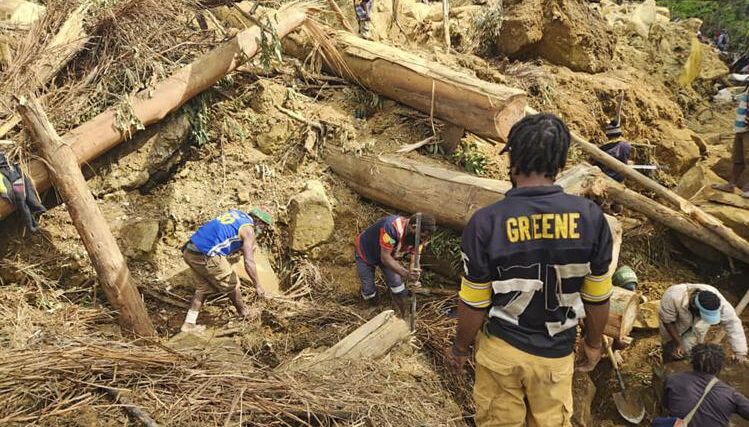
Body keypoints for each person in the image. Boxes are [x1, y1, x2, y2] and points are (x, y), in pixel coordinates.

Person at [446, 113, 614, 427]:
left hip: (502, 350)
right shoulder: (591, 218)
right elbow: (597, 296)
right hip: (555, 355)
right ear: (560, 163)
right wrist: (593, 343)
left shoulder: (487, 223)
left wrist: (460, 348)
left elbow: (474, 301)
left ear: (513, 158)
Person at [180, 208, 273, 332]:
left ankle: (189, 323)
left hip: (189, 250)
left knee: (203, 288)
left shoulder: (237, 214)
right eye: (264, 226)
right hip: (205, 254)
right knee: (232, 284)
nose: (263, 229)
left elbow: (223, 234)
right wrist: (258, 286)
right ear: (258, 221)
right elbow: (248, 261)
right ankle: (244, 314)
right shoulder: (249, 231)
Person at [354, 213, 436, 313]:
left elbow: (415, 262)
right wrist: (407, 274)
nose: (423, 241)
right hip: (366, 251)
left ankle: (402, 309)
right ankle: (374, 307)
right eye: (423, 237)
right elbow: (385, 258)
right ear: (413, 227)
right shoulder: (391, 228)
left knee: (398, 285)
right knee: (369, 290)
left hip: (388, 254)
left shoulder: (419, 239)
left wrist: (415, 278)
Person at [662, 344, 749, 427]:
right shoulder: (731, 395)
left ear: (692, 362)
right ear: (720, 367)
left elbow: (666, 405)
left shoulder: (672, 380)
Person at [659, 284, 747, 363]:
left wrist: (740, 352)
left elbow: (732, 323)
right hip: (675, 325)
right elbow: (668, 321)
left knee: (691, 351)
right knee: (670, 349)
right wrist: (679, 342)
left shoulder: (719, 303)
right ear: (694, 306)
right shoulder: (673, 296)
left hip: (697, 327)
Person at [713, 85, 749, 198]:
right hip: (741, 128)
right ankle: (731, 184)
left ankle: (747, 188)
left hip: (747, 128)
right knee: (737, 159)